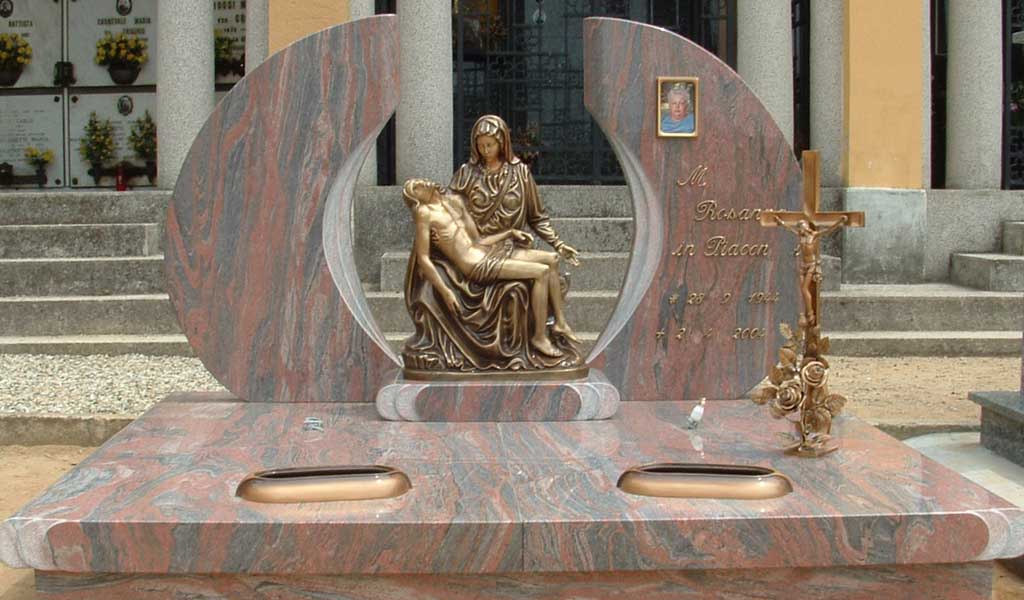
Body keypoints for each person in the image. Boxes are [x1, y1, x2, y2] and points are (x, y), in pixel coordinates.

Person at [403, 178, 577, 359]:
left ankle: (560, 322)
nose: (422, 183)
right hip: (475, 264)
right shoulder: (424, 213)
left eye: (419, 181)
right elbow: (423, 257)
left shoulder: (454, 202)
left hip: (487, 251)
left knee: (552, 259)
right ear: (416, 199)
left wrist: (509, 233)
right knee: (541, 272)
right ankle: (539, 337)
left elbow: (479, 240)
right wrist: (445, 291)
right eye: (415, 188)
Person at [449, 114, 580, 267]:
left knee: (551, 263)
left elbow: (537, 218)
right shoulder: (466, 174)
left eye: (490, 145)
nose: (485, 150)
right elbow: (447, 210)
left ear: (501, 142)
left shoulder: (520, 173)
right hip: (476, 249)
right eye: (480, 145)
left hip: (511, 246)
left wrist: (558, 244)